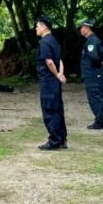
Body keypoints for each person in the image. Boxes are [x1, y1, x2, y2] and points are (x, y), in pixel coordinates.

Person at [35, 15, 68, 150]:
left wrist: (56, 74)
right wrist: (60, 74)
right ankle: (62, 138)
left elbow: (49, 61)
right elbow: (59, 60)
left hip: (48, 81)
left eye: (37, 26)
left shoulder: (44, 42)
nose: (35, 29)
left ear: (44, 26)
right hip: (54, 81)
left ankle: (54, 140)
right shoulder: (54, 41)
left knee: (50, 109)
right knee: (58, 109)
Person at [79, 19, 103, 130]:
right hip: (95, 73)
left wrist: (99, 65)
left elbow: (94, 56)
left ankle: (100, 121)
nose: (80, 30)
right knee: (100, 96)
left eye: (81, 28)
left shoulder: (92, 40)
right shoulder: (93, 40)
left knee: (95, 97)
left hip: (93, 74)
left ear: (87, 28)